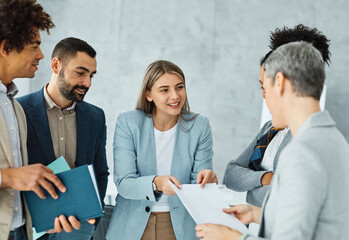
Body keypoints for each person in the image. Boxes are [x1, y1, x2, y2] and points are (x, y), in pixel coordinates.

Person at [196, 41, 349, 239]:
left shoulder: (302, 153)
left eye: (265, 87)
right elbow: (312, 219)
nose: (265, 99)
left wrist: (231, 237)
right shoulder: (336, 141)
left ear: (280, 82)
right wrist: (254, 213)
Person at [105, 60, 217, 240]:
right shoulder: (128, 122)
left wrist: (206, 179)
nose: (175, 96)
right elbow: (124, 183)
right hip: (132, 226)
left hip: (181, 227)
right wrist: (156, 183)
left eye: (179, 87)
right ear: (149, 94)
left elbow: (198, 185)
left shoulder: (199, 125)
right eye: (164, 90)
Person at [224, 24, 331, 207]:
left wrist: (253, 188)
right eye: (262, 86)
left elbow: (284, 198)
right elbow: (231, 174)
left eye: (266, 86)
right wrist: (265, 178)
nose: (265, 95)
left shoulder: (308, 137)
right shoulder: (270, 128)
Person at [17, 37, 109, 239]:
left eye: (92, 75)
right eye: (80, 72)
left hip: (78, 227)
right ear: (56, 65)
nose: (87, 82)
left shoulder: (95, 117)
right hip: (30, 228)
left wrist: (92, 218)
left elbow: (101, 173)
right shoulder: (19, 110)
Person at [0, 1, 66, 240]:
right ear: (6, 48)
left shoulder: (15, 107)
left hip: (20, 232)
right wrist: (8, 176)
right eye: (34, 46)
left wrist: (52, 214)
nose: (41, 55)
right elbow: (14, 178)